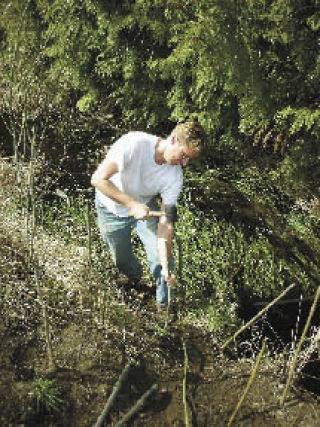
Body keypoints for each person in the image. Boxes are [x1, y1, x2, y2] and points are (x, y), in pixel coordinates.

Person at [91, 121, 206, 309]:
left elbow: (166, 224)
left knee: (163, 260)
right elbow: (98, 179)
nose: (184, 163)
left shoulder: (175, 177)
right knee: (122, 260)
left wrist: (166, 267)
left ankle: (163, 307)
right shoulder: (134, 143)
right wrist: (130, 204)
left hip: (144, 207)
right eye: (184, 155)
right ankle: (135, 281)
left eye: (188, 160)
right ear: (174, 139)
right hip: (110, 207)